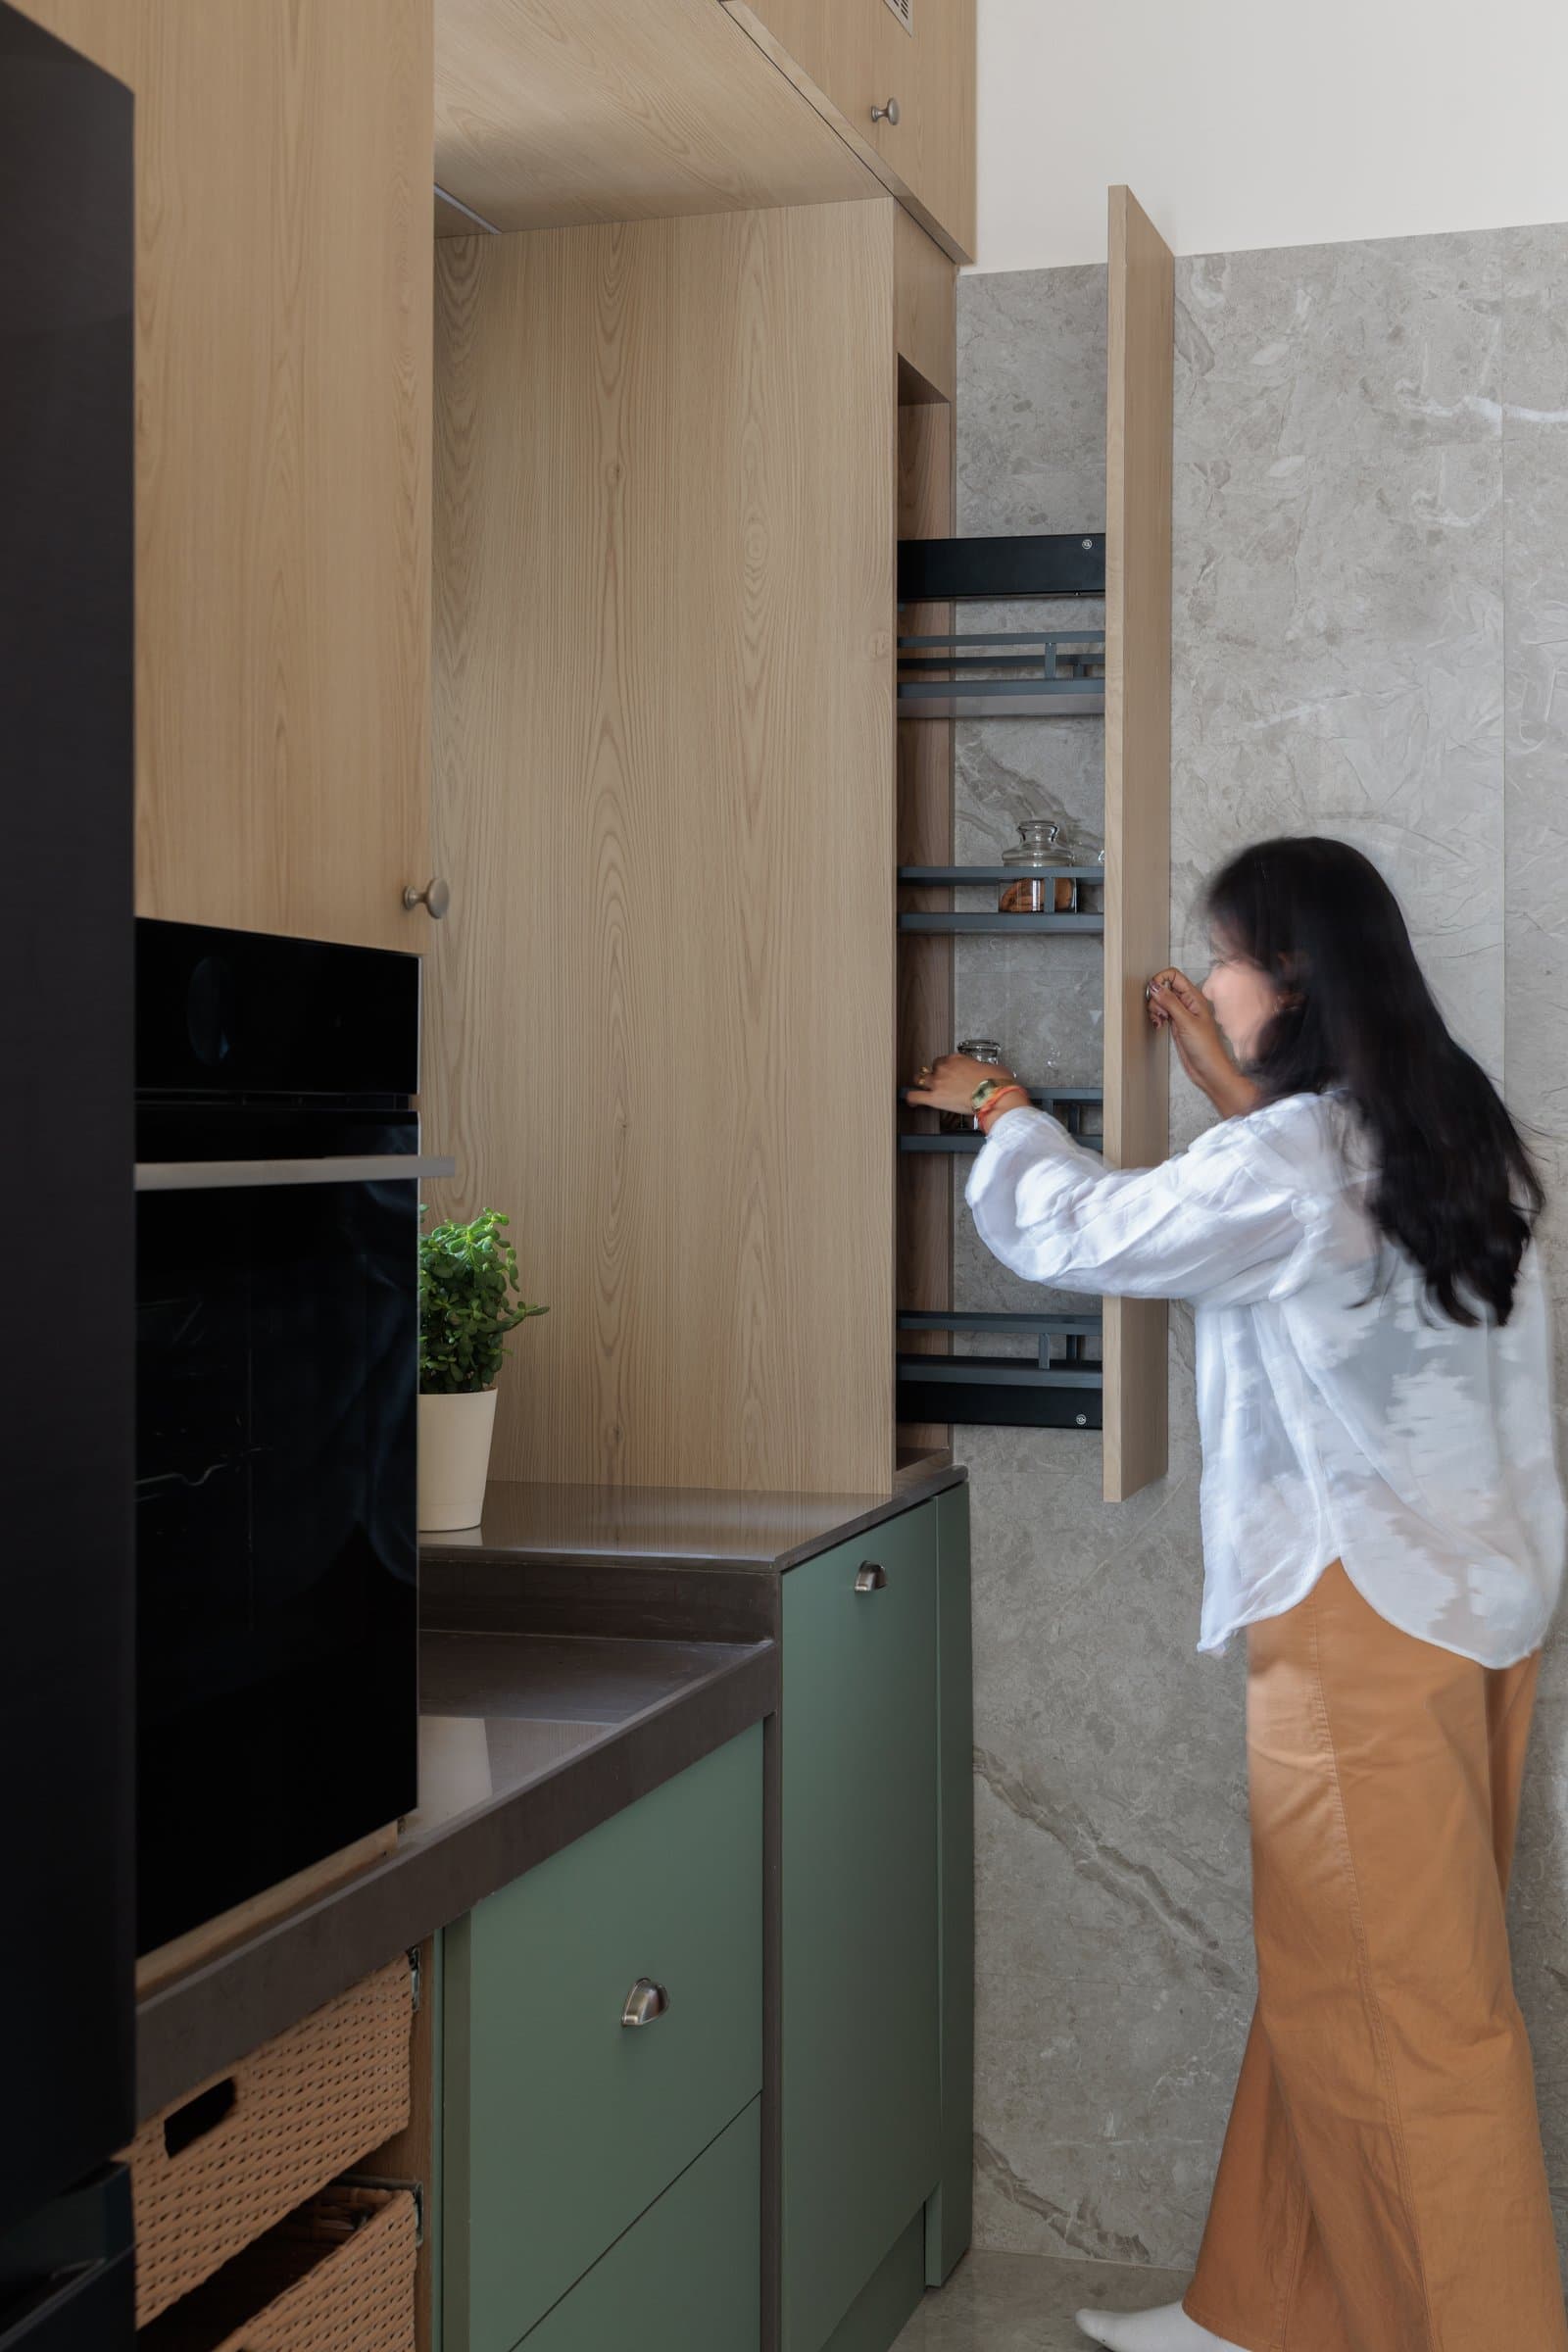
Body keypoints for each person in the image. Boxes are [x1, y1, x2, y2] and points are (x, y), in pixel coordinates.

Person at [906, 835, 1567, 2352]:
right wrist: (1229, 1089)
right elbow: (1305, 1232)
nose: (1207, 979)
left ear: (1296, 980)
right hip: (1481, 1599)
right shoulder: (1444, 1123)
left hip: (1360, 1620)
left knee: (1410, 2024)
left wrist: (1001, 1106)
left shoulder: (1287, 1161)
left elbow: (1077, 1231)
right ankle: (1268, 2308)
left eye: (1226, 958)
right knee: (1355, 1973)